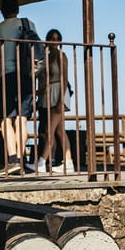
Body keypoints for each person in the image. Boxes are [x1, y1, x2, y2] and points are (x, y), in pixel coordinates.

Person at [0, 0, 36, 173]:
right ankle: (21, 157)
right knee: (22, 119)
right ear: (17, 9)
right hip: (26, 76)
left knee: (5, 119)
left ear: (2, 11)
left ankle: (13, 159)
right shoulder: (28, 24)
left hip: (6, 75)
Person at [35, 29, 74, 174]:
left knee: (49, 129)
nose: (54, 41)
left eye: (57, 39)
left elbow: (64, 78)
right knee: (58, 130)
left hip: (59, 93)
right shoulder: (46, 57)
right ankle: (68, 161)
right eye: (51, 38)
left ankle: (41, 161)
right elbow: (43, 78)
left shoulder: (61, 56)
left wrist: (60, 100)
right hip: (49, 93)